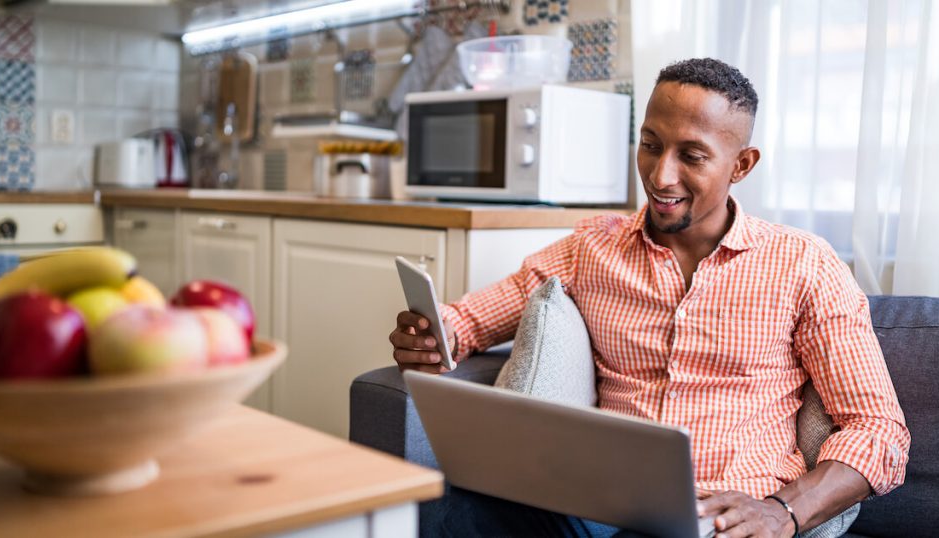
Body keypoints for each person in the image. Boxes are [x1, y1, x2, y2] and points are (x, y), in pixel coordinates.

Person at [389, 58, 910, 538]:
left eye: (692, 156)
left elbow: (880, 429)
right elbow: (471, 320)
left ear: (742, 165)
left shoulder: (805, 265)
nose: (661, 176)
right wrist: (436, 336)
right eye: (651, 144)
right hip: (597, 505)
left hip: (725, 516)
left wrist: (784, 509)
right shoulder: (591, 247)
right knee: (438, 510)